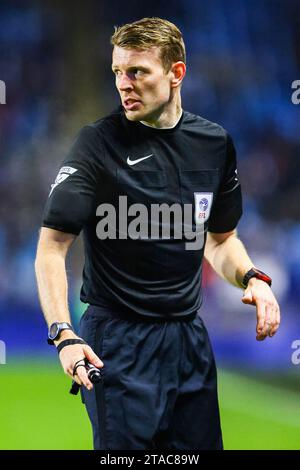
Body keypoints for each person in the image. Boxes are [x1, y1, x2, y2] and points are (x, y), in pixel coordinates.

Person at [35, 17, 280, 450]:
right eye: (117, 72)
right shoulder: (97, 144)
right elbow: (52, 248)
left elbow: (220, 240)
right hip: (116, 343)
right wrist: (64, 334)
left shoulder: (214, 144)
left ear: (176, 73)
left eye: (137, 72)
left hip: (188, 341)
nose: (123, 84)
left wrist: (252, 279)